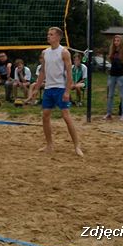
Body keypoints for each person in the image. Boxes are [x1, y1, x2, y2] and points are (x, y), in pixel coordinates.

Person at [35, 27, 83, 157]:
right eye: (48, 34)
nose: (48, 36)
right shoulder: (45, 52)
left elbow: (69, 74)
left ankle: (77, 146)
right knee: (45, 115)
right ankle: (49, 145)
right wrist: (36, 88)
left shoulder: (64, 52)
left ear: (58, 37)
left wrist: (67, 91)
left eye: (51, 34)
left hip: (60, 88)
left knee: (66, 117)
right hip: (49, 88)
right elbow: (42, 72)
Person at [105, 35, 123, 121]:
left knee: (122, 95)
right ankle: (109, 113)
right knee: (110, 95)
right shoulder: (112, 51)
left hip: (120, 75)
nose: (116, 42)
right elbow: (111, 62)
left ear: (121, 42)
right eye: (115, 41)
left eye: (118, 41)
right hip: (112, 75)